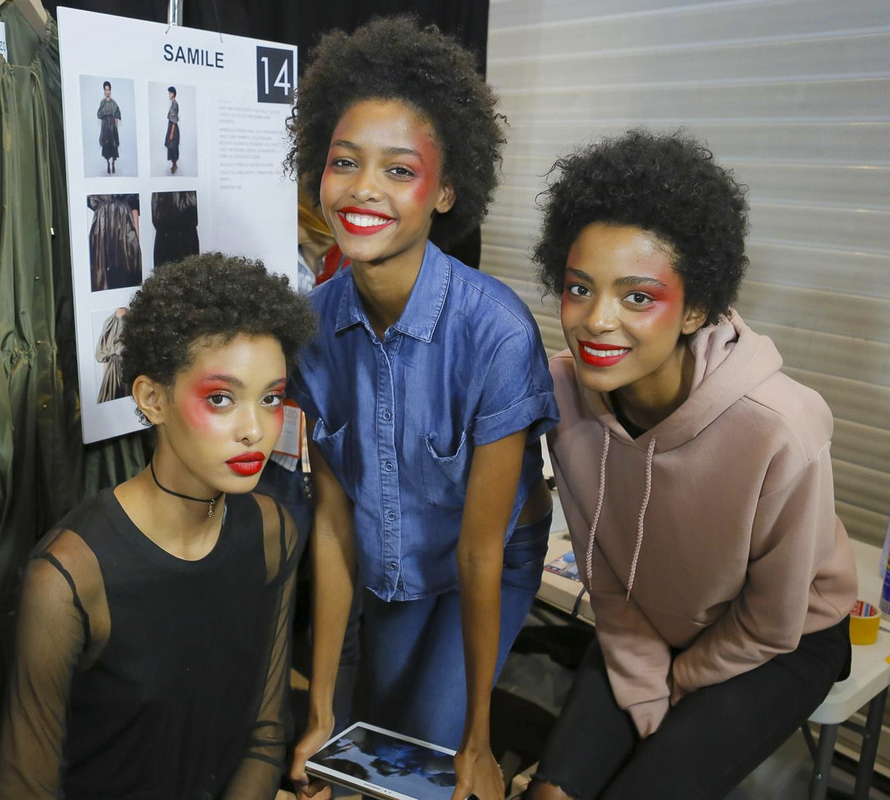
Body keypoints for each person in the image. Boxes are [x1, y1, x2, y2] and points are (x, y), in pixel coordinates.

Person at [526, 130, 858, 800]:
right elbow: (607, 574)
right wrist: (647, 682)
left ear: (697, 308)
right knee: (550, 793)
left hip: (782, 643)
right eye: (579, 289)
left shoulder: (781, 428)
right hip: (646, 622)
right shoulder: (564, 394)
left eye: (638, 297)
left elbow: (771, 621)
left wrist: (672, 688)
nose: (597, 320)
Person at [287, 17, 558, 800]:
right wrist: (320, 710)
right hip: (390, 557)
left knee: (428, 766)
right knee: (366, 740)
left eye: (398, 170)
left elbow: (478, 552)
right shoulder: (315, 328)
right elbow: (334, 528)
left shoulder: (495, 332)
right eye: (344, 163)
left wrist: (478, 741)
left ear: (443, 190)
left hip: (487, 558)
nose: (364, 188)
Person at [0, 254, 317, 800]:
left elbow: (264, 734)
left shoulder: (271, 532)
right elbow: (25, 786)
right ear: (152, 398)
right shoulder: (69, 576)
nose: (254, 430)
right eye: (221, 398)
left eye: (270, 399)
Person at [97, 79, 120, 173]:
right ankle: (108, 164)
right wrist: (102, 130)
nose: (107, 91)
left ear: (110, 90)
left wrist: (116, 129)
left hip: (112, 127)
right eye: (106, 90)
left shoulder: (114, 103)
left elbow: (116, 117)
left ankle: (113, 164)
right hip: (105, 127)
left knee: (113, 145)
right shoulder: (102, 103)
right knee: (106, 146)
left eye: (108, 89)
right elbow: (101, 118)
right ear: (104, 91)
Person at [165, 85, 180, 174]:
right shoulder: (173, 104)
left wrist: (171, 133)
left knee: (173, 147)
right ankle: (174, 165)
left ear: (173, 94)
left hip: (173, 128)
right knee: (171, 147)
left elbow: (174, 120)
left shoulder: (174, 104)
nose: (169, 95)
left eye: (170, 93)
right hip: (171, 127)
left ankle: (175, 165)